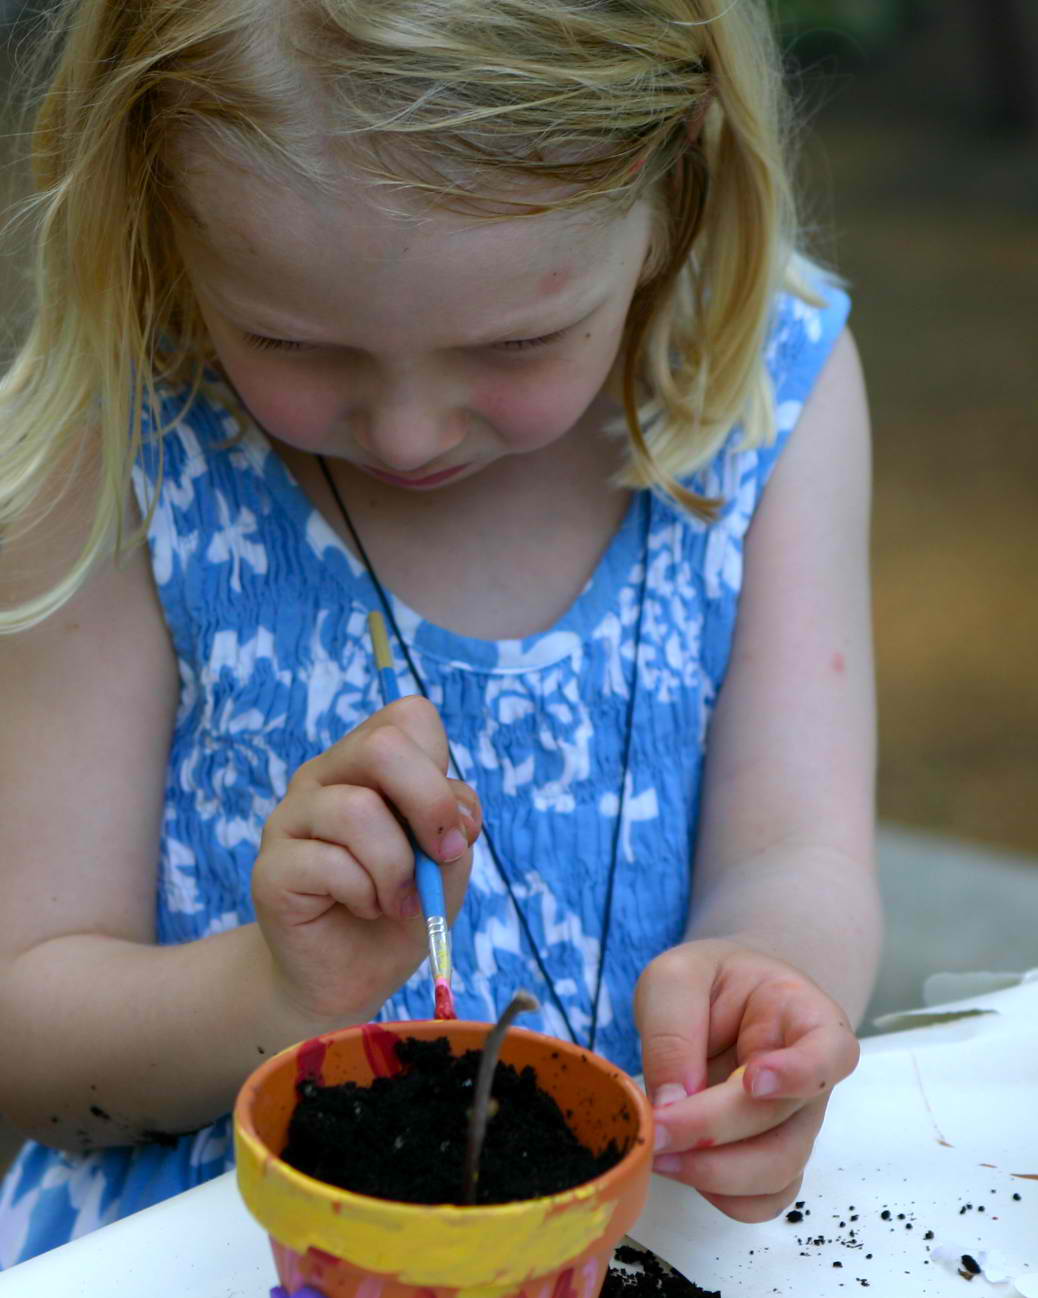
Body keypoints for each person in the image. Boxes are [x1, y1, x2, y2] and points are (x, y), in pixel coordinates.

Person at [0, 0, 881, 1267]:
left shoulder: (757, 398)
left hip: (632, 1237)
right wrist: (273, 992)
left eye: (518, 338)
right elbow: (27, 1028)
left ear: (674, 185)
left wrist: (770, 991)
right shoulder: (120, 436)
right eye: (291, 338)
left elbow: (798, 847)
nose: (410, 433)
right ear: (154, 199)